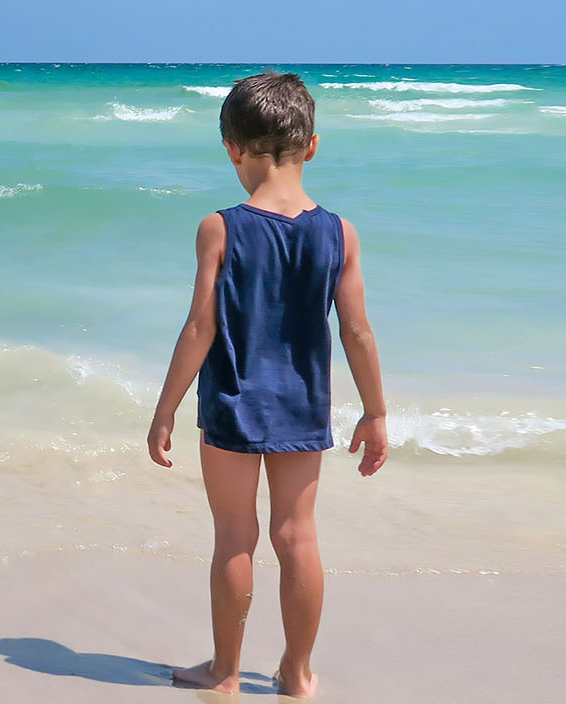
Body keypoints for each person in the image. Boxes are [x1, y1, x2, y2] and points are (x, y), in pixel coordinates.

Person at [145, 71, 389, 699]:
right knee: (296, 534)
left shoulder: (219, 227)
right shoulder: (340, 233)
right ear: (311, 145)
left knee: (235, 534)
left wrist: (166, 408)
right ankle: (297, 673)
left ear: (231, 146)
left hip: (231, 401)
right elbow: (356, 332)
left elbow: (200, 325)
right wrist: (375, 412)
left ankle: (225, 672)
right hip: (304, 404)